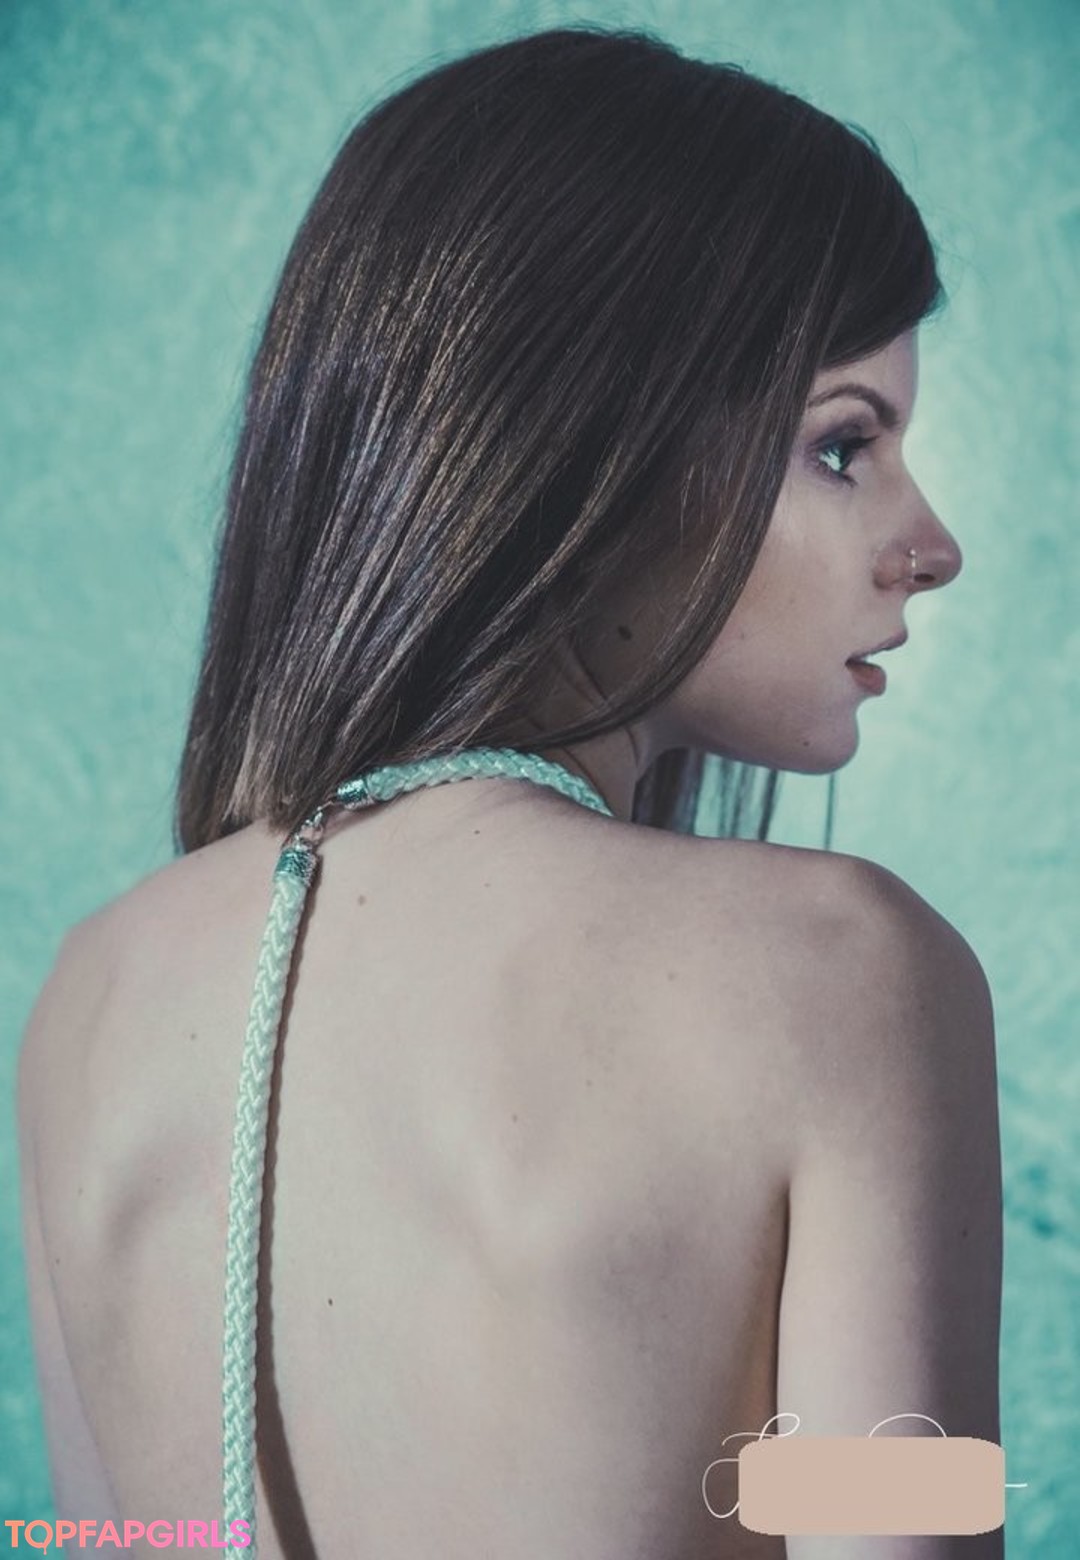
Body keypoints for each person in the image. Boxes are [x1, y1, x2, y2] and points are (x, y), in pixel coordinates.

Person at [16, 23, 1003, 1560]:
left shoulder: (93, 998)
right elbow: (898, 1540)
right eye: (842, 446)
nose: (931, 544)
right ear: (592, 444)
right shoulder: (841, 976)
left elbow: (118, 1547)